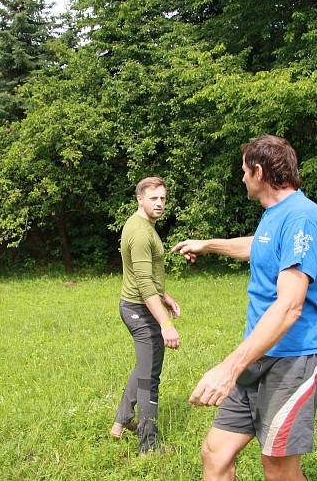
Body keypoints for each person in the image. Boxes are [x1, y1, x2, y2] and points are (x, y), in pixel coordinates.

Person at [172, 135, 317, 481]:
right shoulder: (274, 215)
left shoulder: (301, 217)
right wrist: (208, 244)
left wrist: (229, 368)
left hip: (293, 361)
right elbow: (258, 246)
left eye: (244, 171)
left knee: (278, 471)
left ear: (259, 172)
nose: (242, 178)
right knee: (215, 453)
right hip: (258, 356)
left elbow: (290, 306)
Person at [111, 176, 181, 454]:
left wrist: (165, 296)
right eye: (154, 198)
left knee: (144, 367)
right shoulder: (140, 233)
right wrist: (165, 322)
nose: (160, 203)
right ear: (140, 199)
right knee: (150, 378)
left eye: (163, 198)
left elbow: (146, 274)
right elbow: (141, 281)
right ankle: (149, 446)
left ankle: (121, 423)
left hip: (138, 306)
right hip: (140, 311)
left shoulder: (142, 224)